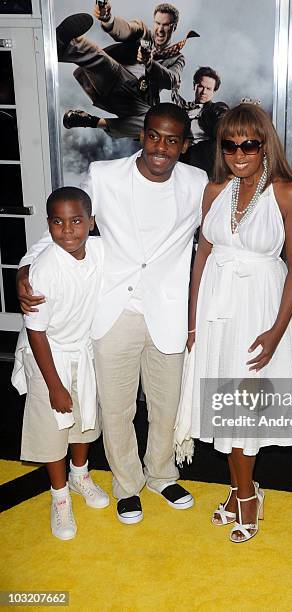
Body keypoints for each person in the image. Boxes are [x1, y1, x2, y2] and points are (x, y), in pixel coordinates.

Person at [17, 104, 207, 525]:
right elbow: (66, 223)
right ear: (142, 135)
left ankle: (160, 473)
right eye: (154, 135)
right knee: (117, 409)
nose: (161, 146)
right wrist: (25, 267)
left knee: (165, 406)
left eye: (172, 139)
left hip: (168, 311)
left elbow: (228, 223)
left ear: (184, 146)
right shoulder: (105, 175)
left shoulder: (197, 182)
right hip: (113, 309)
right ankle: (126, 484)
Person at [185, 104, 292, 543]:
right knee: (225, 404)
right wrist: (192, 320)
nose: (239, 153)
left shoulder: (288, 193)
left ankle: (246, 496)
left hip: (259, 309)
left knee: (245, 406)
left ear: (264, 145)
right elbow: (201, 256)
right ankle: (242, 491)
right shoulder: (213, 190)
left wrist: (278, 331)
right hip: (217, 308)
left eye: (249, 144)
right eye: (230, 144)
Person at [11, 187, 109, 541]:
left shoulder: (100, 252)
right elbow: (36, 333)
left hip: (82, 351)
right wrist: (54, 386)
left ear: (91, 223)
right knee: (54, 429)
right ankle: (60, 496)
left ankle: (79, 475)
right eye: (58, 222)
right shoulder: (44, 270)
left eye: (77, 221)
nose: (68, 230)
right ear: (48, 225)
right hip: (47, 357)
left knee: (82, 421)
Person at [59, 3, 198, 139]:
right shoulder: (143, 33)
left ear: (174, 27)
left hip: (137, 102)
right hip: (116, 78)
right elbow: (126, 30)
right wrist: (109, 20)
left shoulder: (177, 58)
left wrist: (149, 63)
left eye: (166, 25)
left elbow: (172, 80)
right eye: (157, 23)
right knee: (96, 55)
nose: (160, 30)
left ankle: (90, 121)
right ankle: (62, 46)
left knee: (154, 123)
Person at [173, 66, 227, 144]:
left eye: (208, 89)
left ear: (214, 92)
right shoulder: (183, 108)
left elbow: (224, 119)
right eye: (201, 87)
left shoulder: (216, 108)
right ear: (194, 86)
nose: (204, 92)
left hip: (203, 152)